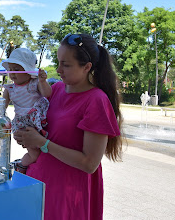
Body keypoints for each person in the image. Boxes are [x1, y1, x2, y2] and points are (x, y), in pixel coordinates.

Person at [13, 34, 122, 220]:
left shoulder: (96, 101)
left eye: (66, 64)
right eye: (58, 62)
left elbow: (89, 163)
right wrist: (25, 135)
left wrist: (42, 143)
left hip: (68, 196)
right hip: (38, 186)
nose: (58, 69)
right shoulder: (55, 90)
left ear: (87, 67)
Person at [1, 48, 52, 169]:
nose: (12, 73)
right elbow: (1, 107)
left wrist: (43, 81)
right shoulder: (9, 89)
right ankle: (21, 165)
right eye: (10, 70)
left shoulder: (35, 83)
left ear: (28, 70)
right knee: (34, 154)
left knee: (45, 152)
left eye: (17, 70)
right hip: (24, 125)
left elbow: (47, 93)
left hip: (41, 122)